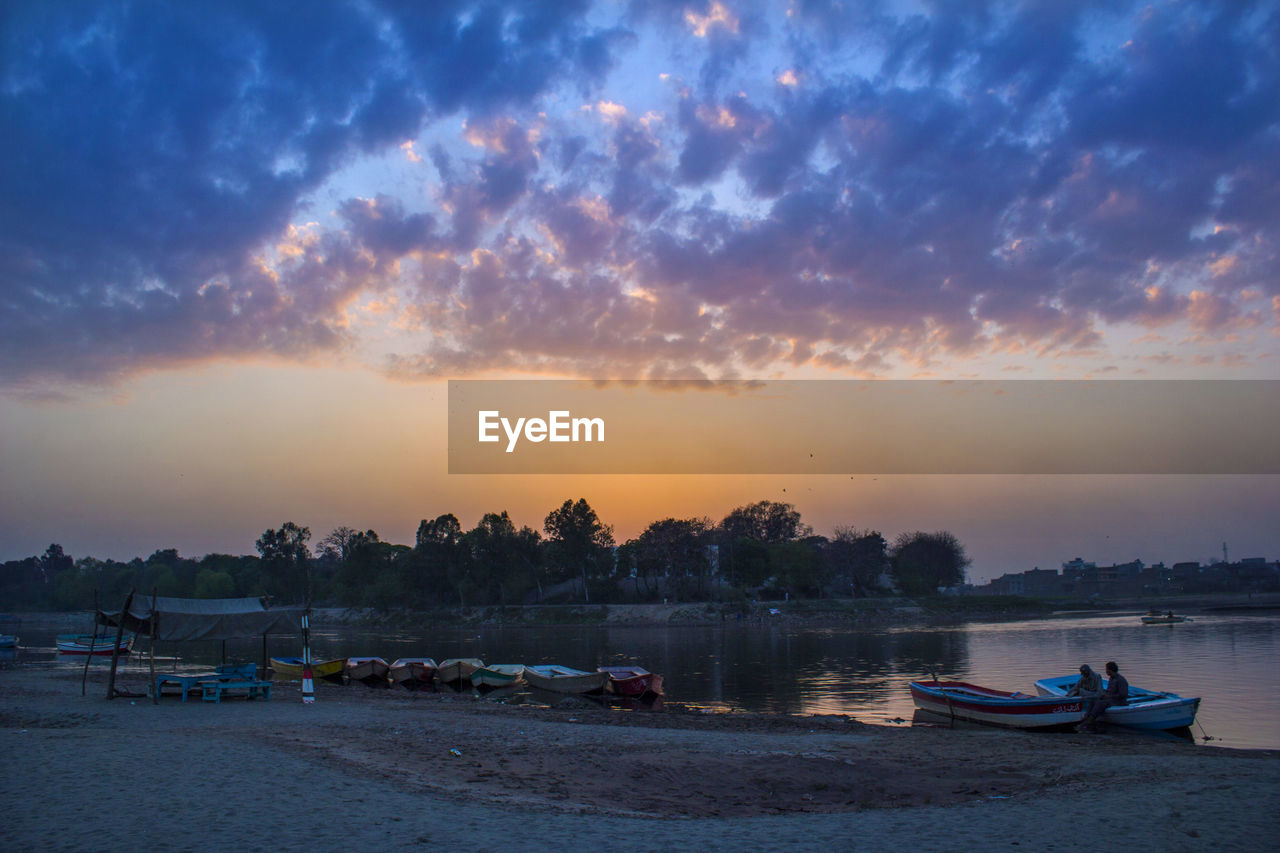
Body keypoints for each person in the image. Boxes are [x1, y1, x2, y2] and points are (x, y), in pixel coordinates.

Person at [1077, 661, 1128, 731]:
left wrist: (1109, 696)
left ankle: (1090, 721)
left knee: (1101, 703)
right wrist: (1104, 694)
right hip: (1110, 700)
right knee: (1093, 700)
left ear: (1110, 670)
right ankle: (1086, 718)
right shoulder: (1111, 679)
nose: (1106, 671)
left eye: (1106, 669)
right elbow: (1109, 691)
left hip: (1118, 702)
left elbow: (1123, 695)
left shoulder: (1120, 680)